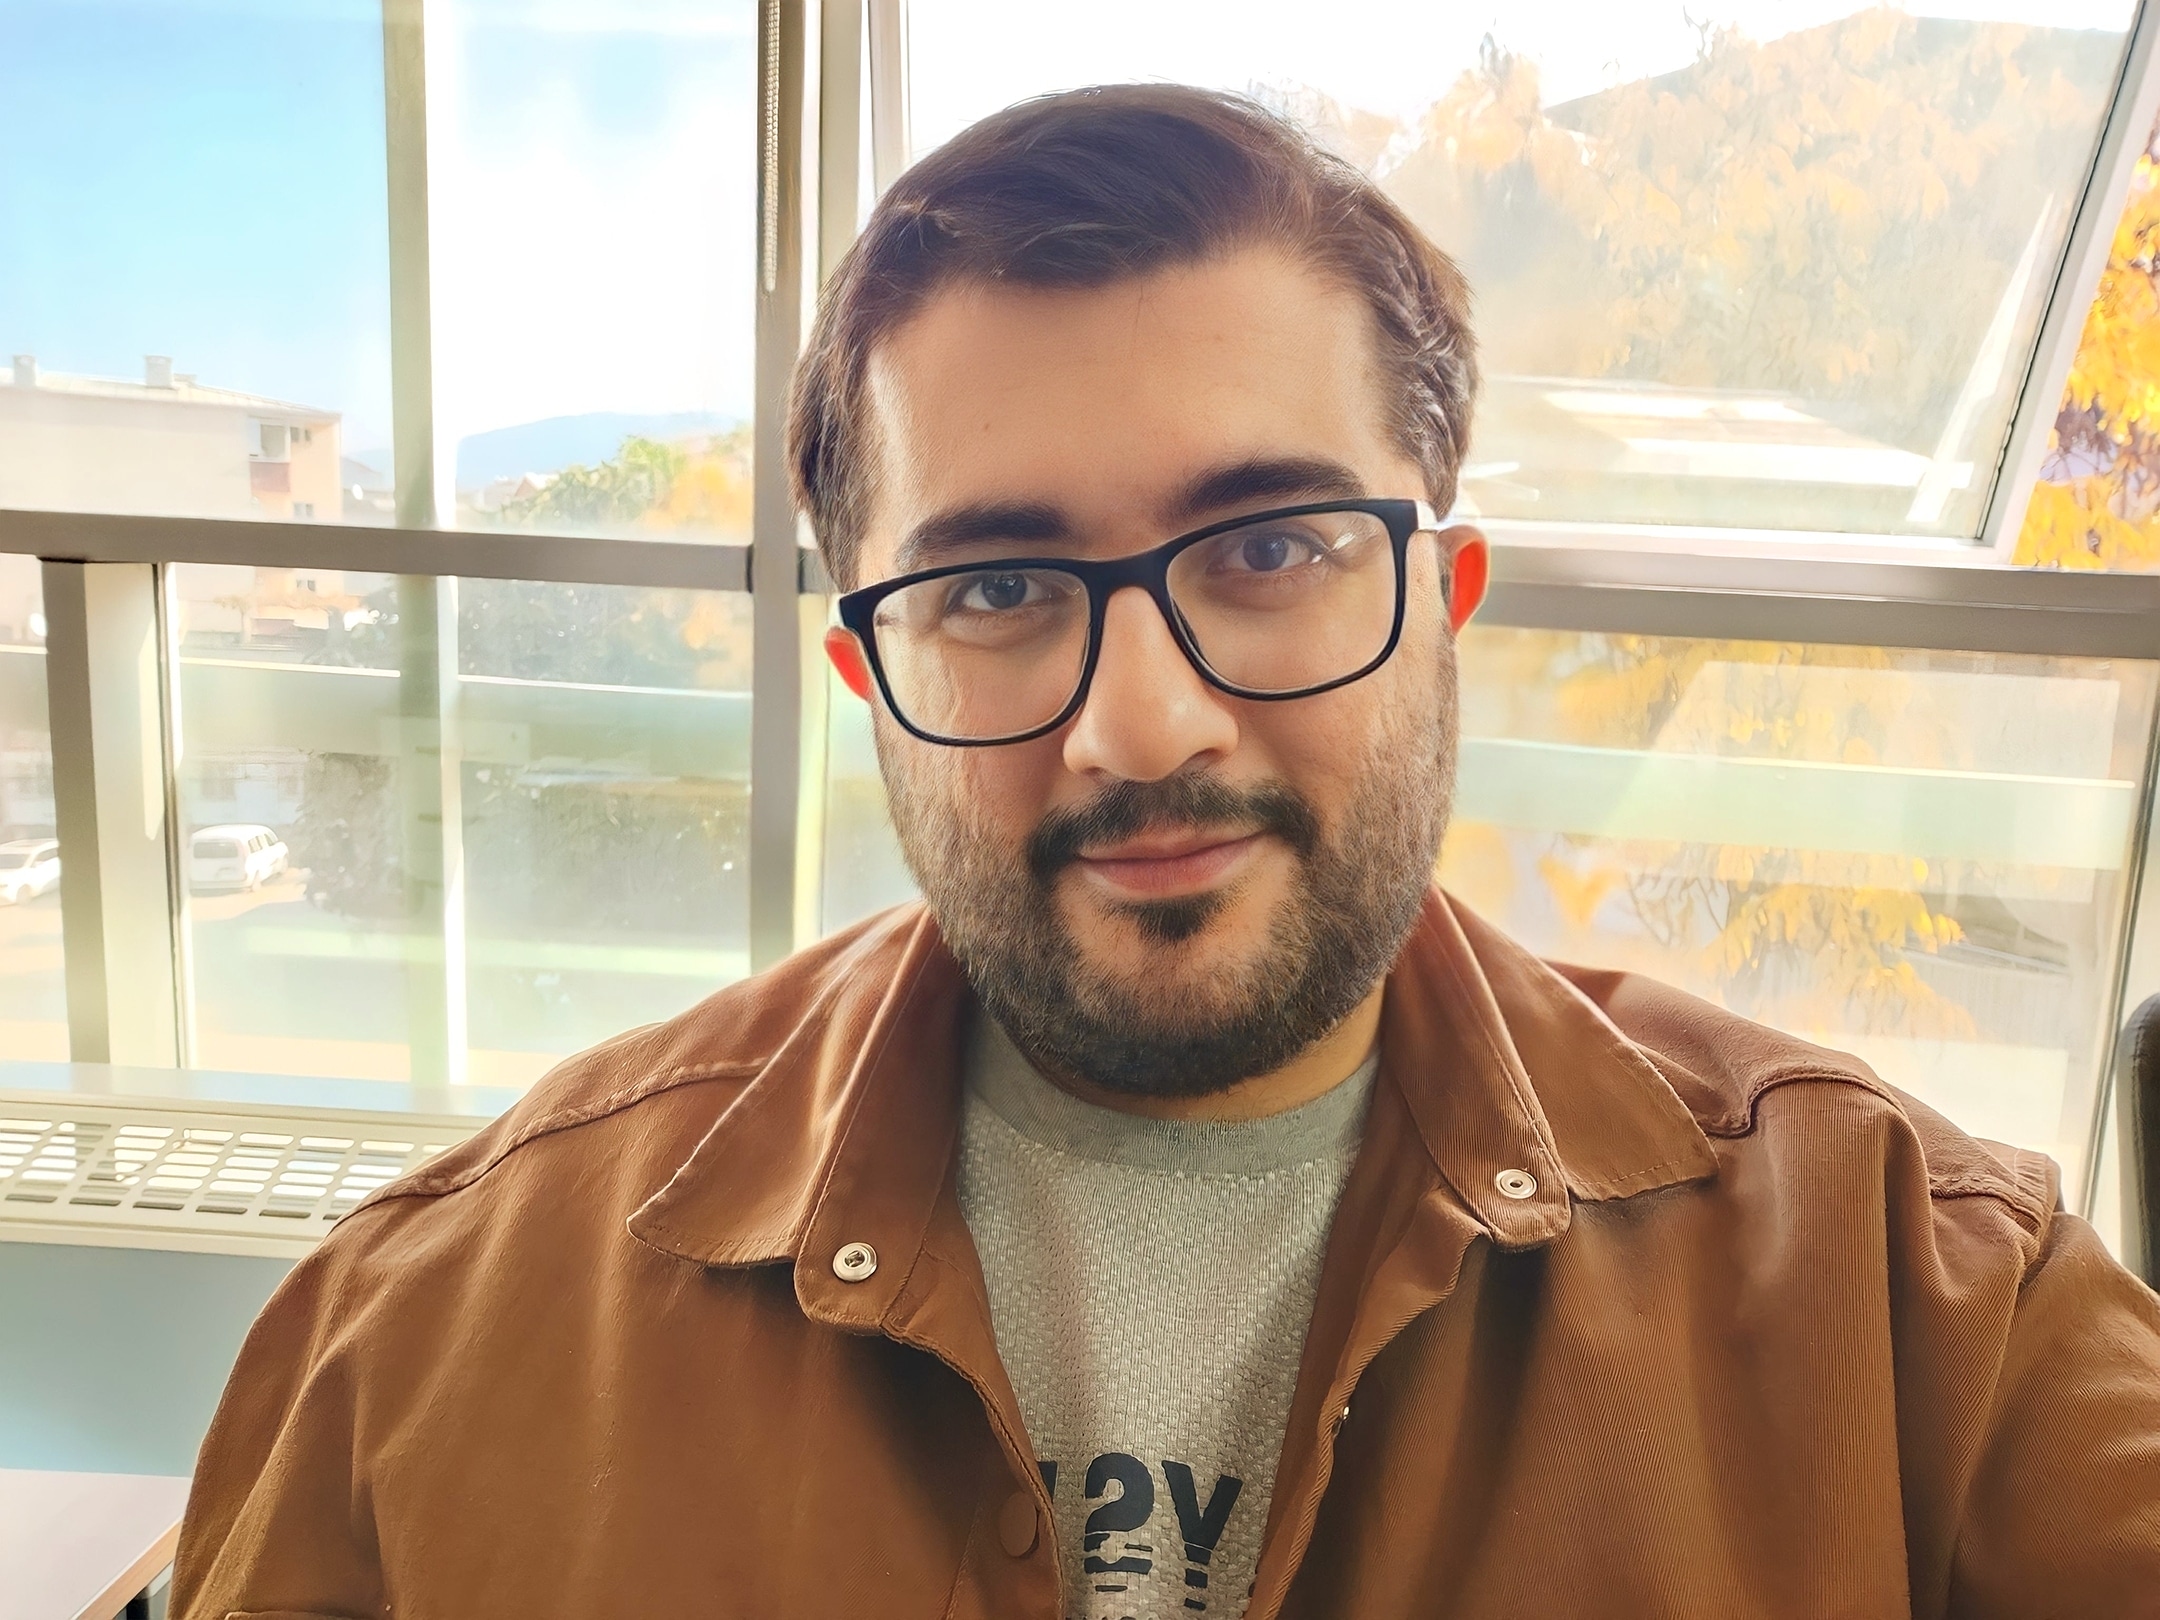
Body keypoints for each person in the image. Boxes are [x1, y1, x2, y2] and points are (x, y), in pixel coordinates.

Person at [173, 85, 2160, 1620]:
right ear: (870, 674)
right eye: (996, 588)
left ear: (1443, 598)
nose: (1142, 726)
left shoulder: (1921, 1311)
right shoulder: (431, 1337)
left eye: (1273, 550)